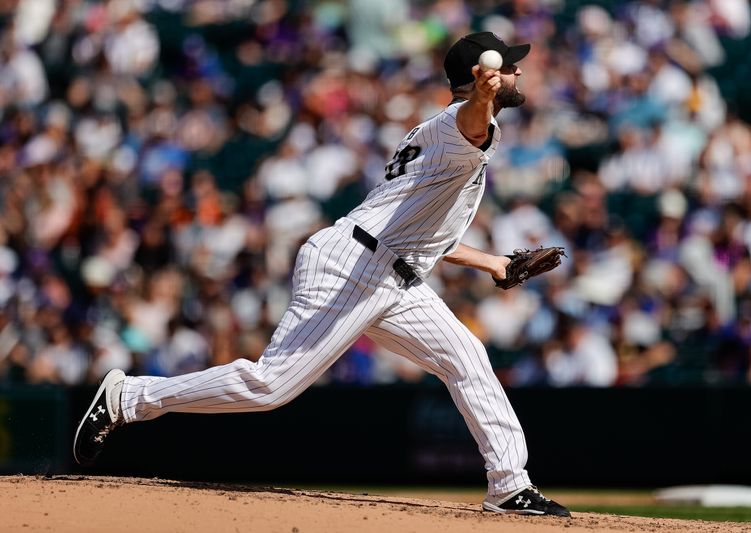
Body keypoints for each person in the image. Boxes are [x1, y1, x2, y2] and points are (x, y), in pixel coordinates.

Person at [73, 32, 571, 518]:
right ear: (480, 77)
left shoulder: (447, 136)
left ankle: (510, 487)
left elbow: (423, 234)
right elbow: (472, 123)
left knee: (467, 357)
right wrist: (481, 100)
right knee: (269, 387)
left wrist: (493, 263)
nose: (518, 70)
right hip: (351, 268)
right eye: (507, 65)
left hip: (390, 271)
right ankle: (130, 397)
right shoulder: (459, 127)